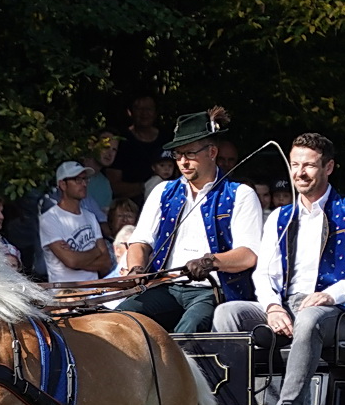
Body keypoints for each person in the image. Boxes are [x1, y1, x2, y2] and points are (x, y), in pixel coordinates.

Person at [213, 133, 345, 405]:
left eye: (309, 166)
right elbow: (264, 273)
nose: (299, 173)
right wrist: (273, 306)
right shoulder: (280, 216)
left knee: (309, 318)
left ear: (328, 168)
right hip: (288, 303)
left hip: (338, 312)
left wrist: (331, 294)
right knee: (227, 314)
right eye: (294, 164)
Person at [120, 108, 263, 335]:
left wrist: (209, 262)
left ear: (212, 152)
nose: (183, 162)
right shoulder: (163, 191)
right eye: (177, 155)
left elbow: (248, 254)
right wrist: (136, 270)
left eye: (190, 154)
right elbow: (140, 241)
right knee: (121, 320)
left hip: (213, 290)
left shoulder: (240, 194)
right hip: (164, 286)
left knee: (188, 331)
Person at [39, 161, 113, 286]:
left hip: (94, 292)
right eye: (77, 180)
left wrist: (78, 260)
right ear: (62, 184)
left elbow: (106, 263)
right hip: (66, 295)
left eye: (85, 179)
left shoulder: (90, 217)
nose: (84, 184)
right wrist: (96, 252)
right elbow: (71, 261)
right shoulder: (50, 218)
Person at [108, 94, 162, 202]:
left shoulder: (166, 139)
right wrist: (146, 186)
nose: (144, 113)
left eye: (149, 109)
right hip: (128, 207)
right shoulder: (121, 140)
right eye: (139, 109)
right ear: (130, 112)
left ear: (156, 112)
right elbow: (113, 186)